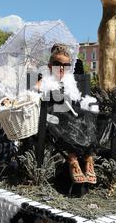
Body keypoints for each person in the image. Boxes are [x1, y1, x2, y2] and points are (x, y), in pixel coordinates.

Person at [37, 45, 97, 185]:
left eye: (66, 65)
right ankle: (72, 159)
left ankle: (88, 158)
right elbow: (32, 93)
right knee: (65, 114)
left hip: (72, 119)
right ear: (50, 66)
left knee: (88, 114)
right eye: (57, 64)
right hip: (52, 118)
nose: (62, 68)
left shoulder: (71, 83)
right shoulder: (44, 79)